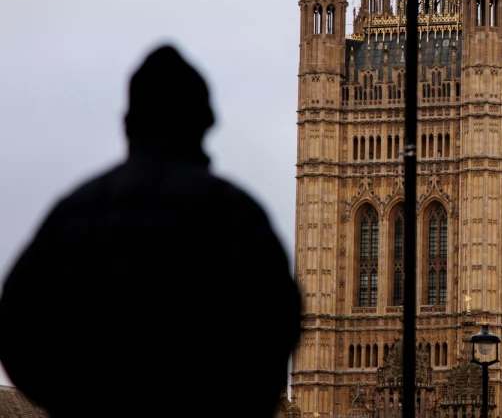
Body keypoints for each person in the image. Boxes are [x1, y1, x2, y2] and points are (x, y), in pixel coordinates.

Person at [0, 44, 301, 418]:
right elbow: (280, 321)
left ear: (128, 123)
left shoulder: (76, 210)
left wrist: (69, 399)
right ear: (204, 121)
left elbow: (13, 323)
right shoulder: (236, 214)